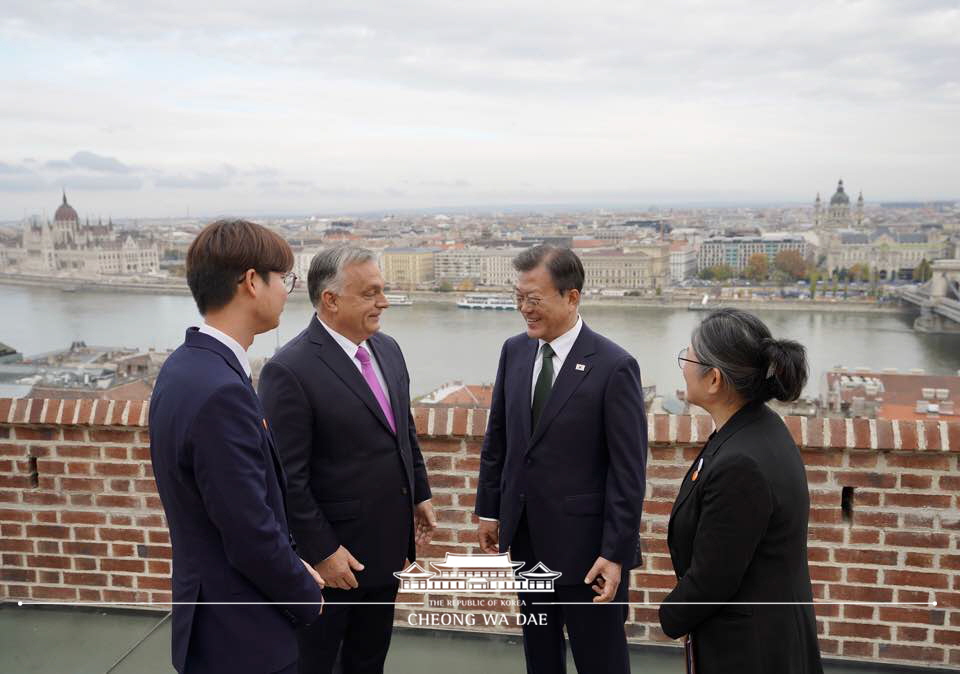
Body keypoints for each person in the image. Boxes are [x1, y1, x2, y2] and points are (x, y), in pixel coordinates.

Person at [149, 219, 325, 674]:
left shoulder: (184, 367)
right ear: (251, 282)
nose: (288, 291)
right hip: (243, 639)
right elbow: (249, 532)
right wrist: (306, 594)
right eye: (283, 279)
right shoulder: (221, 391)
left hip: (209, 620)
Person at [259, 245, 435, 674]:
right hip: (332, 562)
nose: (384, 301)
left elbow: (402, 432)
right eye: (371, 293)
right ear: (331, 300)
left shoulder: (388, 349)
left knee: (368, 659)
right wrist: (322, 552)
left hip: (385, 550)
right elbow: (287, 480)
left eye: (383, 290)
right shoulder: (289, 370)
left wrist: (420, 494)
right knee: (316, 663)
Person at [474, 245, 647, 674]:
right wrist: (489, 510)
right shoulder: (514, 351)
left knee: (600, 661)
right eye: (519, 298)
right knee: (540, 659)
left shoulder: (614, 366)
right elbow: (500, 438)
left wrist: (615, 551)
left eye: (534, 299)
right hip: (528, 543)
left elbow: (628, 472)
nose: (524, 310)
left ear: (572, 296)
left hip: (590, 554)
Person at [659, 308, 823, 674]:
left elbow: (716, 575)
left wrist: (669, 615)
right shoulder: (757, 428)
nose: (682, 366)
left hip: (749, 650)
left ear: (714, 379)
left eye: (688, 357)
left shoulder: (741, 462)